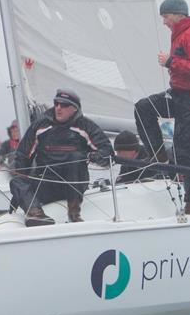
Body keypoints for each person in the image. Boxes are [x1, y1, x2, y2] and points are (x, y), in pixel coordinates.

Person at [134, 0, 190, 215]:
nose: (163, 21)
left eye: (166, 16)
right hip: (178, 95)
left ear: (177, 15)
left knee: (184, 153)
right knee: (144, 108)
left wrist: (171, 62)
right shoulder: (180, 34)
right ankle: (159, 156)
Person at [9, 89, 113, 226]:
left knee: (75, 157)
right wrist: (21, 194)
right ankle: (36, 214)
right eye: (56, 103)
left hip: (74, 184)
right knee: (16, 181)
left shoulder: (86, 127)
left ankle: (74, 213)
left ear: (74, 109)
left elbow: (107, 153)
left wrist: (94, 156)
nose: (58, 108)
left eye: (64, 105)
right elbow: (23, 156)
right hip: (47, 184)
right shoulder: (41, 126)